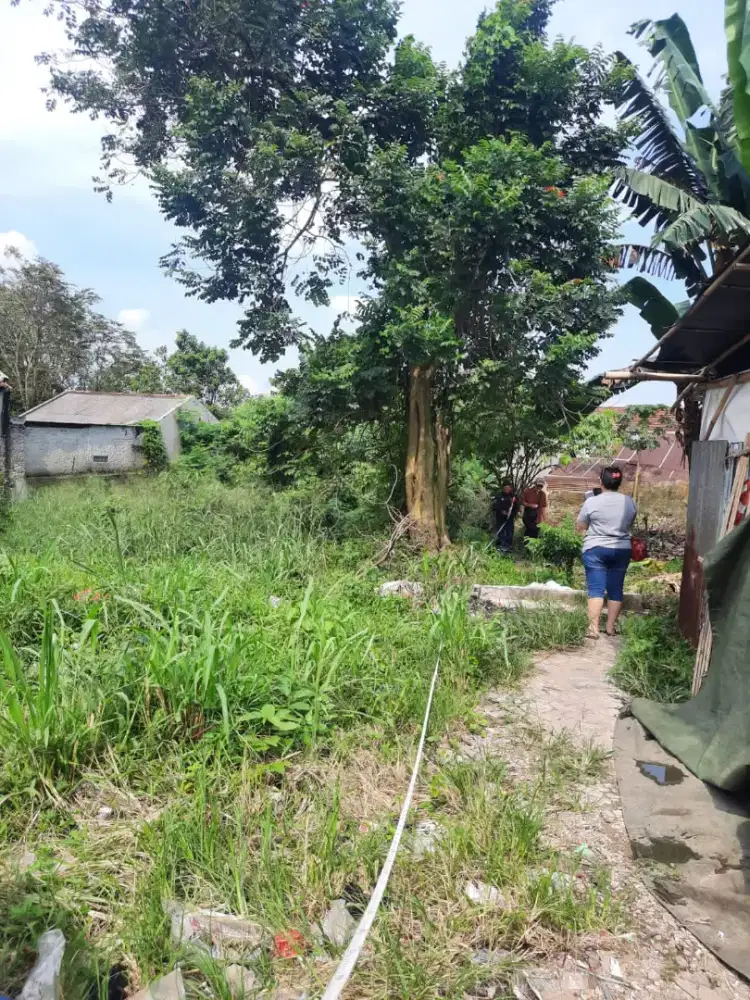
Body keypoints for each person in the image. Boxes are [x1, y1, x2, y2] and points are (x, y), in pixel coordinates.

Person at [577, 466, 636, 640]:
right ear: (619, 482)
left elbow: (582, 525)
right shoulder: (629, 502)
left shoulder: (592, 502)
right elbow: (629, 523)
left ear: (601, 482)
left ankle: (593, 629)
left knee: (596, 589)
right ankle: (610, 627)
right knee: (616, 588)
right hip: (622, 549)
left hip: (596, 549)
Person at [493, 482, 519, 553]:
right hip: (500, 518)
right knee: (501, 532)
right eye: (505, 488)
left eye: (508, 488)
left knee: (510, 532)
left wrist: (511, 514)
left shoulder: (513, 497)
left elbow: (516, 508)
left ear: (510, 488)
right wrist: (502, 511)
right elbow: (495, 506)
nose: (507, 490)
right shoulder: (498, 496)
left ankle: (509, 546)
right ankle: (502, 546)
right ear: (503, 488)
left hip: (510, 518)